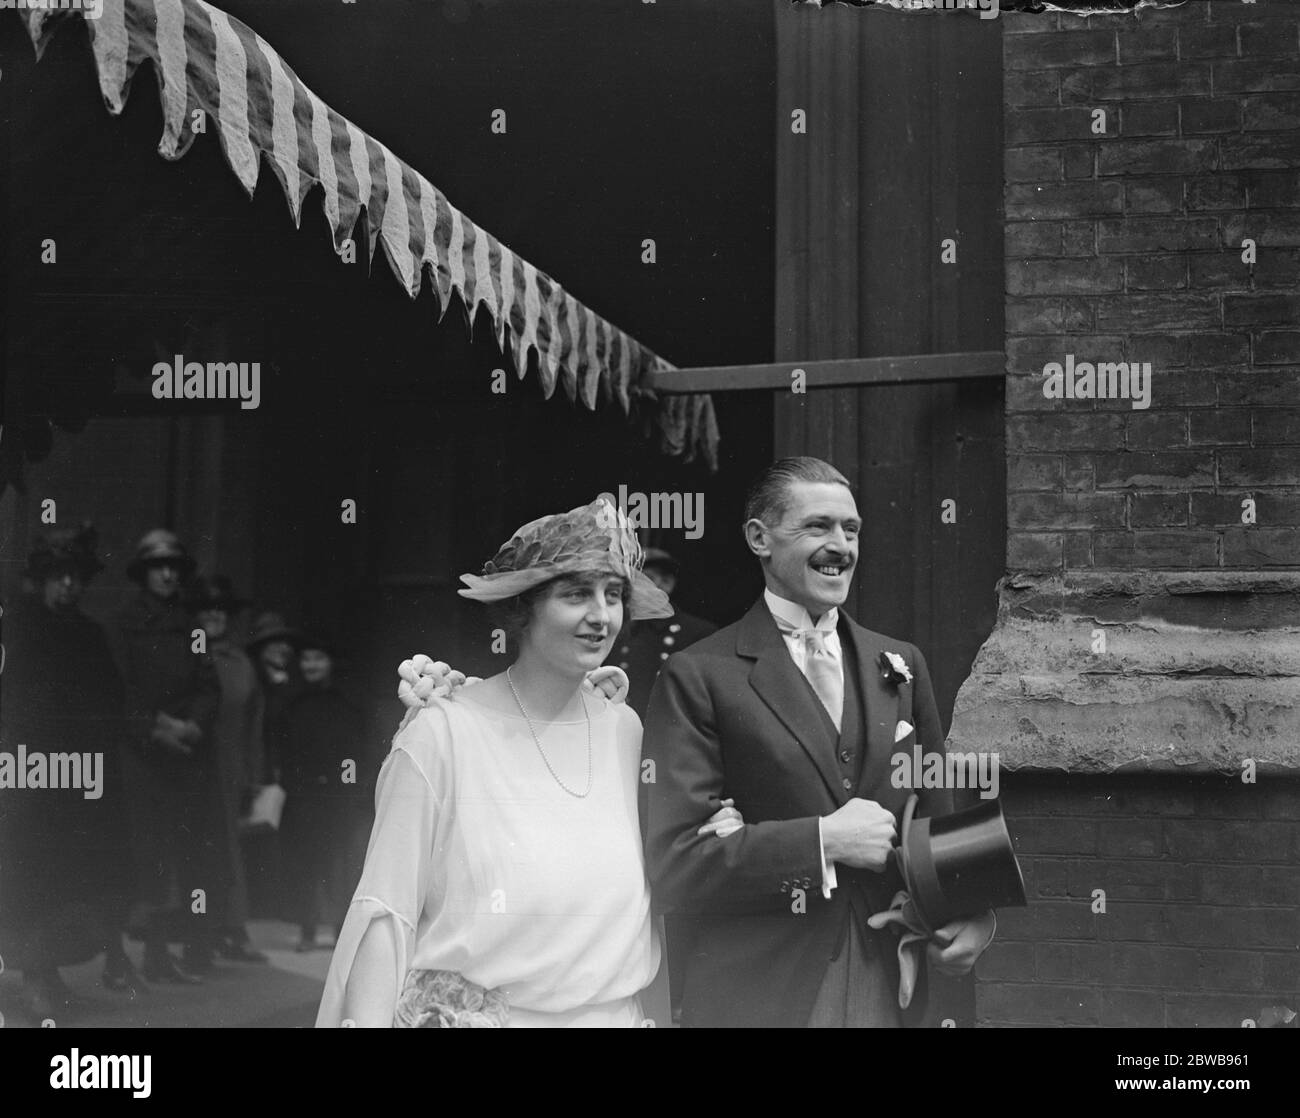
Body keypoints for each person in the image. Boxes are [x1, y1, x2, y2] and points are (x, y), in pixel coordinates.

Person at [317, 495, 740, 1028]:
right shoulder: (444, 732)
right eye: (576, 594)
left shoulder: (626, 730)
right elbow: (387, 910)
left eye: (613, 595)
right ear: (523, 609)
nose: (601, 616)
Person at [643, 457, 996, 1028]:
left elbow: (934, 816)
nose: (841, 546)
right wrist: (822, 843)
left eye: (851, 530)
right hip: (762, 992)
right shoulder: (700, 674)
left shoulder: (902, 664)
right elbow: (677, 863)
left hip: (888, 980)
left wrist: (973, 915)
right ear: (759, 538)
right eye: (817, 527)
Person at [0, 525, 138, 1018]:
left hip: (83, 777)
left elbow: (112, 702)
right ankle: (34, 974)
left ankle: (52, 969)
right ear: (40, 581)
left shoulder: (88, 634)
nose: (69, 587)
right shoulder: (17, 629)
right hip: (32, 774)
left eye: (76, 578)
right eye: (58, 577)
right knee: (33, 875)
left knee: (73, 877)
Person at [110, 528, 218, 984]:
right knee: (135, 854)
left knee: (175, 854)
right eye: (159, 567)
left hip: (183, 756)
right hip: (141, 755)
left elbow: (206, 683)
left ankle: (157, 953)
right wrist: (155, 729)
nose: (168, 574)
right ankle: (116, 958)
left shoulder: (191, 627)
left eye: (174, 566)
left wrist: (193, 723)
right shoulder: (124, 624)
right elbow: (118, 687)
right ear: (144, 573)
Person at [188, 575, 267, 964]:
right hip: (189, 764)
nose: (215, 616)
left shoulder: (240, 663)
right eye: (207, 609)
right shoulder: (187, 654)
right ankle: (189, 929)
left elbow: (254, 721)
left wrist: (253, 774)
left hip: (229, 766)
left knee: (228, 848)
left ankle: (229, 928)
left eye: (221, 610)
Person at [279, 631, 369, 953]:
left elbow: (355, 748)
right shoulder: (293, 703)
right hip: (304, 795)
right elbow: (285, 748)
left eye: (318, 658)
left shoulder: (345, 702)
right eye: (306, 659)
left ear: (330, 663)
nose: (311, 665)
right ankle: (306, 929)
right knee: (306, 861)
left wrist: (349, 785)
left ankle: (340, 929)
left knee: (340, 862)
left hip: (338, 794)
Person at [607, 547, 716, 719]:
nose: (635, 586)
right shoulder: (618, 630)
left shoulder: (698, 633)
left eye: (646, 578)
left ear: (667, 584)